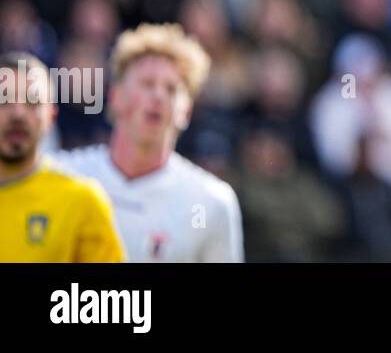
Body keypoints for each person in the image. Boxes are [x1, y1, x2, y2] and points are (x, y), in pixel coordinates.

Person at [54, 24, 243, 261]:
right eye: (147, 83)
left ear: (186, 111)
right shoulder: (60, 175)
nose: (158, 96)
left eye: (171, 89)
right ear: (115, 97)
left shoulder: (209, 203)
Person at [0, 52, 124, 262]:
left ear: (51, 116)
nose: (18, 114)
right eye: (4, 100)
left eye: (32, 102)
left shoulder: (82, 201)